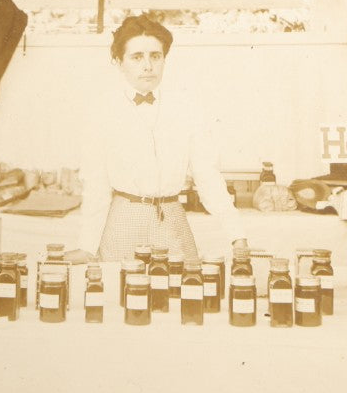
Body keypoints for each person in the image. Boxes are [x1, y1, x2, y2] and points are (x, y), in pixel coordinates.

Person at [79, 14, 243, 263]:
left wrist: (237, 234)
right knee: (123, 295)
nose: (148, 66)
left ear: (164, 59)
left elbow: (207, 175)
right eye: (137, 57)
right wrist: (87, 246)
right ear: (119, 61)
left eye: (155, 56)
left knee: (182, 294)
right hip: (122, 223)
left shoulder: (186, 109)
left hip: (172, 220)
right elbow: (96, 187)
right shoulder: (103, 113)